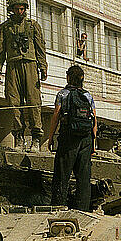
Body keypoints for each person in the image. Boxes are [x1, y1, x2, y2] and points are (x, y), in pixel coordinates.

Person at [0, 0, 47, 152]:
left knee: (33, 101)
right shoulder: (5, 28)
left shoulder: (33, 26)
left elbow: (40, 48)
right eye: (16, 9)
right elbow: (0, 49)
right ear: (12, 9)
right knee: (13, 102)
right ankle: (19, 137)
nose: (19, 12)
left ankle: (36, 137)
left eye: (22, 9)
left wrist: (43, 67)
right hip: (12, 66)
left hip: (30, 65)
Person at [48, 65, 97, 211]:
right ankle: (83, 209)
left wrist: (50, 137)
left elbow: (56, 116)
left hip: (68, 138)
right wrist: (93, 142)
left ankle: (59, 207)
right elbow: (94, 120)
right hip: (86, 139)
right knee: (83, 178)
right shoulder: (88, 96)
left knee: (62, 175)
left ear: (68, 77)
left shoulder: (62, 94)